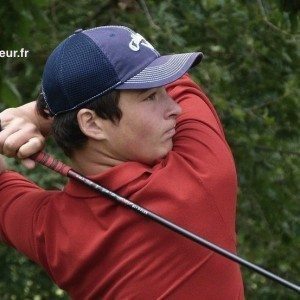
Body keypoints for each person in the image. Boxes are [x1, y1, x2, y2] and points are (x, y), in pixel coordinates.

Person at [0, 25, 244, 299]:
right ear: (92, 124)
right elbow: (183, 87)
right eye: (151, 96)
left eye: (163, 91)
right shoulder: (202, 170)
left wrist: (34, 118)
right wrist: (34, 114)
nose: (174, 108)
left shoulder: (51, 233)